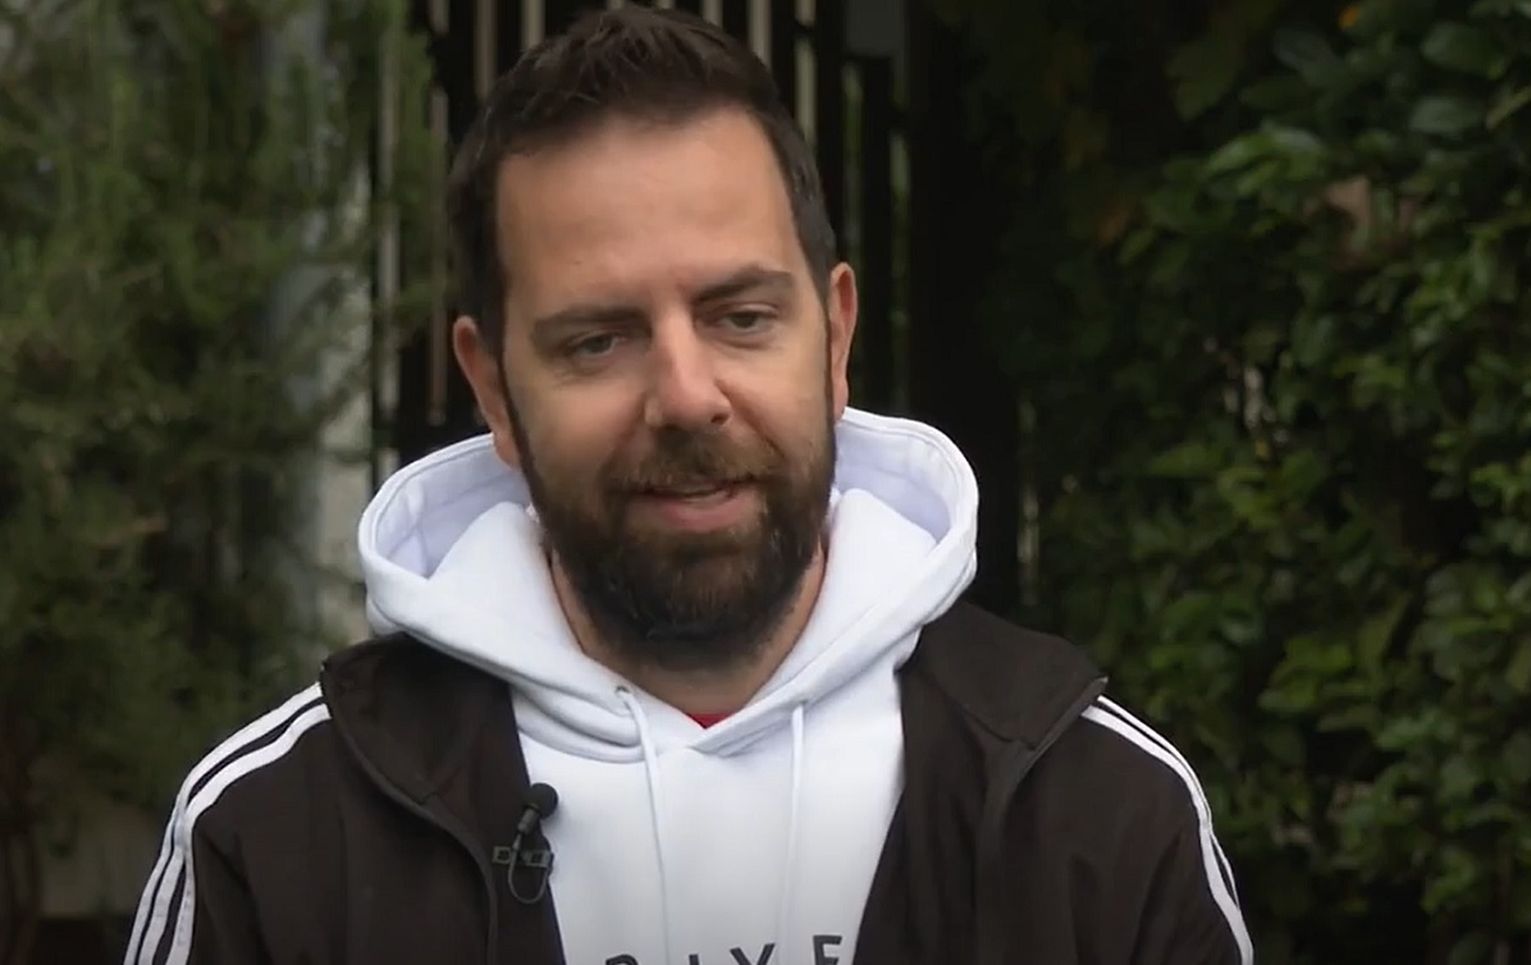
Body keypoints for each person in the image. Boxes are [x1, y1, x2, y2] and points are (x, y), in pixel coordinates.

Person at [123, 7, 1252, 964]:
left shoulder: (1095, 807)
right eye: (599, 339)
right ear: (494, 388)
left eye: (741, 317)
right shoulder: (278, 834)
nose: (686, 395)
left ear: (836, 337)